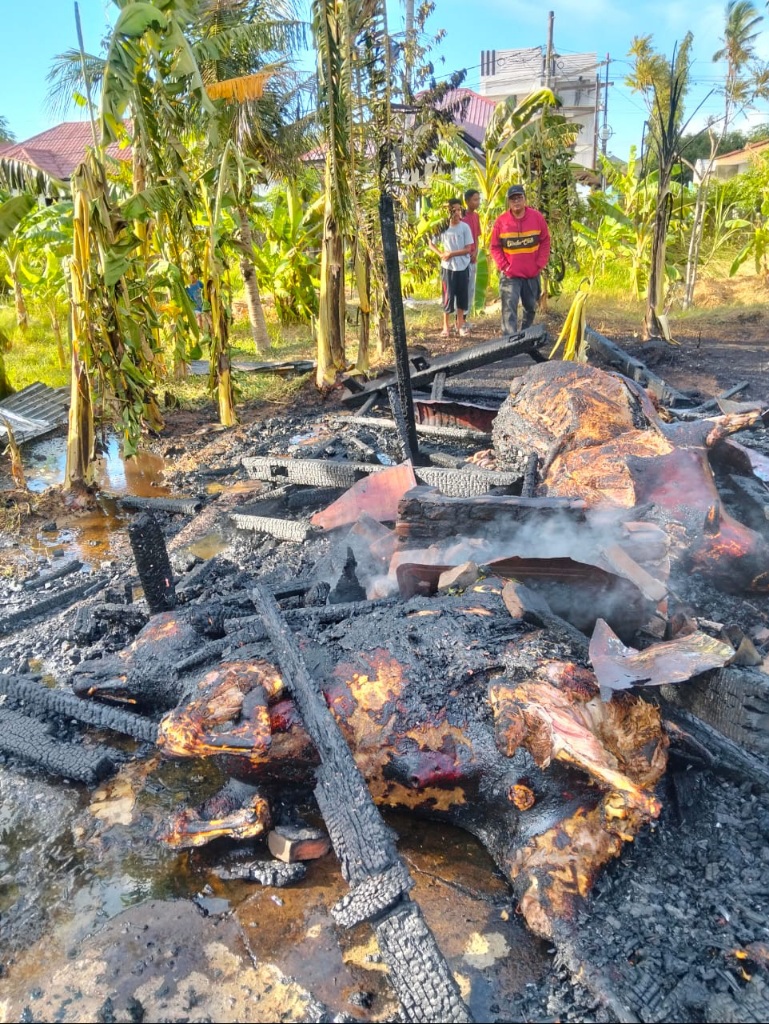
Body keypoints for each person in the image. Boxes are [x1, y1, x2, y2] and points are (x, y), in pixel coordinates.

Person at [490, 184, 550, 335]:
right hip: (510, 275)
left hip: (532, 273)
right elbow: (495, 247)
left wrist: (540, 264)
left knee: (530, 307)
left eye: (519, 198)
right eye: (512, 199)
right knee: (509, 308)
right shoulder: (501, 222)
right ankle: (509, 342)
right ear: (508, 202)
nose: (516, 201)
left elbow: (545, 241)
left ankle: (525, 336)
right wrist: (504, 266)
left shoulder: (537, 218)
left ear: (524, 199)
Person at [429, 197, 475, 338]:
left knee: (462, 296)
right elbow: (431, 243)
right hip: (448, 268)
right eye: (452, 210)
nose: (455, 213)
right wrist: (441, 254)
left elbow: (468, 249)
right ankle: (445, 326)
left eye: (458, 209)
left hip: (462, 267)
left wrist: (452, 253)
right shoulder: (442, 228)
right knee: (448, 296)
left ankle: (460, 325)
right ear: (447, 211)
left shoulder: (464, 227)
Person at [462, 188, 482, 326]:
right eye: (475, 199)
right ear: (467, 201)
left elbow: (477, 237)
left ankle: (465, 319)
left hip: (473, 258)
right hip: (463, 259)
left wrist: (476, 251)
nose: (478, 202)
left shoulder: (476, 216)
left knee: (470, 290)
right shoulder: (462, 217)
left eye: (478, 199)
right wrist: (468, 252)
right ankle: (460, 320)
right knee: (463, 290)